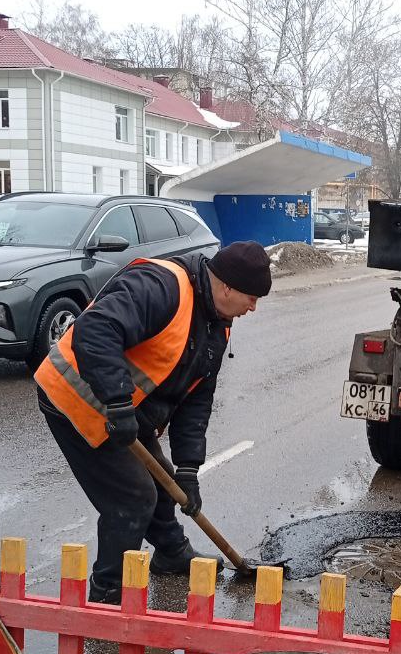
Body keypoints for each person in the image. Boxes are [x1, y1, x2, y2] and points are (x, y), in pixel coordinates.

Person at [34, 241, 272, 603]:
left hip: (125, 408)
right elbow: (95, 329)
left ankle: (171, 552)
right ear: (227, 287)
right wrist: (117, 401)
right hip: (74, 395)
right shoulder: (161, 286)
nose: (253, 307)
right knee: (132, 497)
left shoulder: (217, 325)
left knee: (164, 482)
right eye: (251, 298)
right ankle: (108, 593)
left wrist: (189, 469)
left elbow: (196, 400)